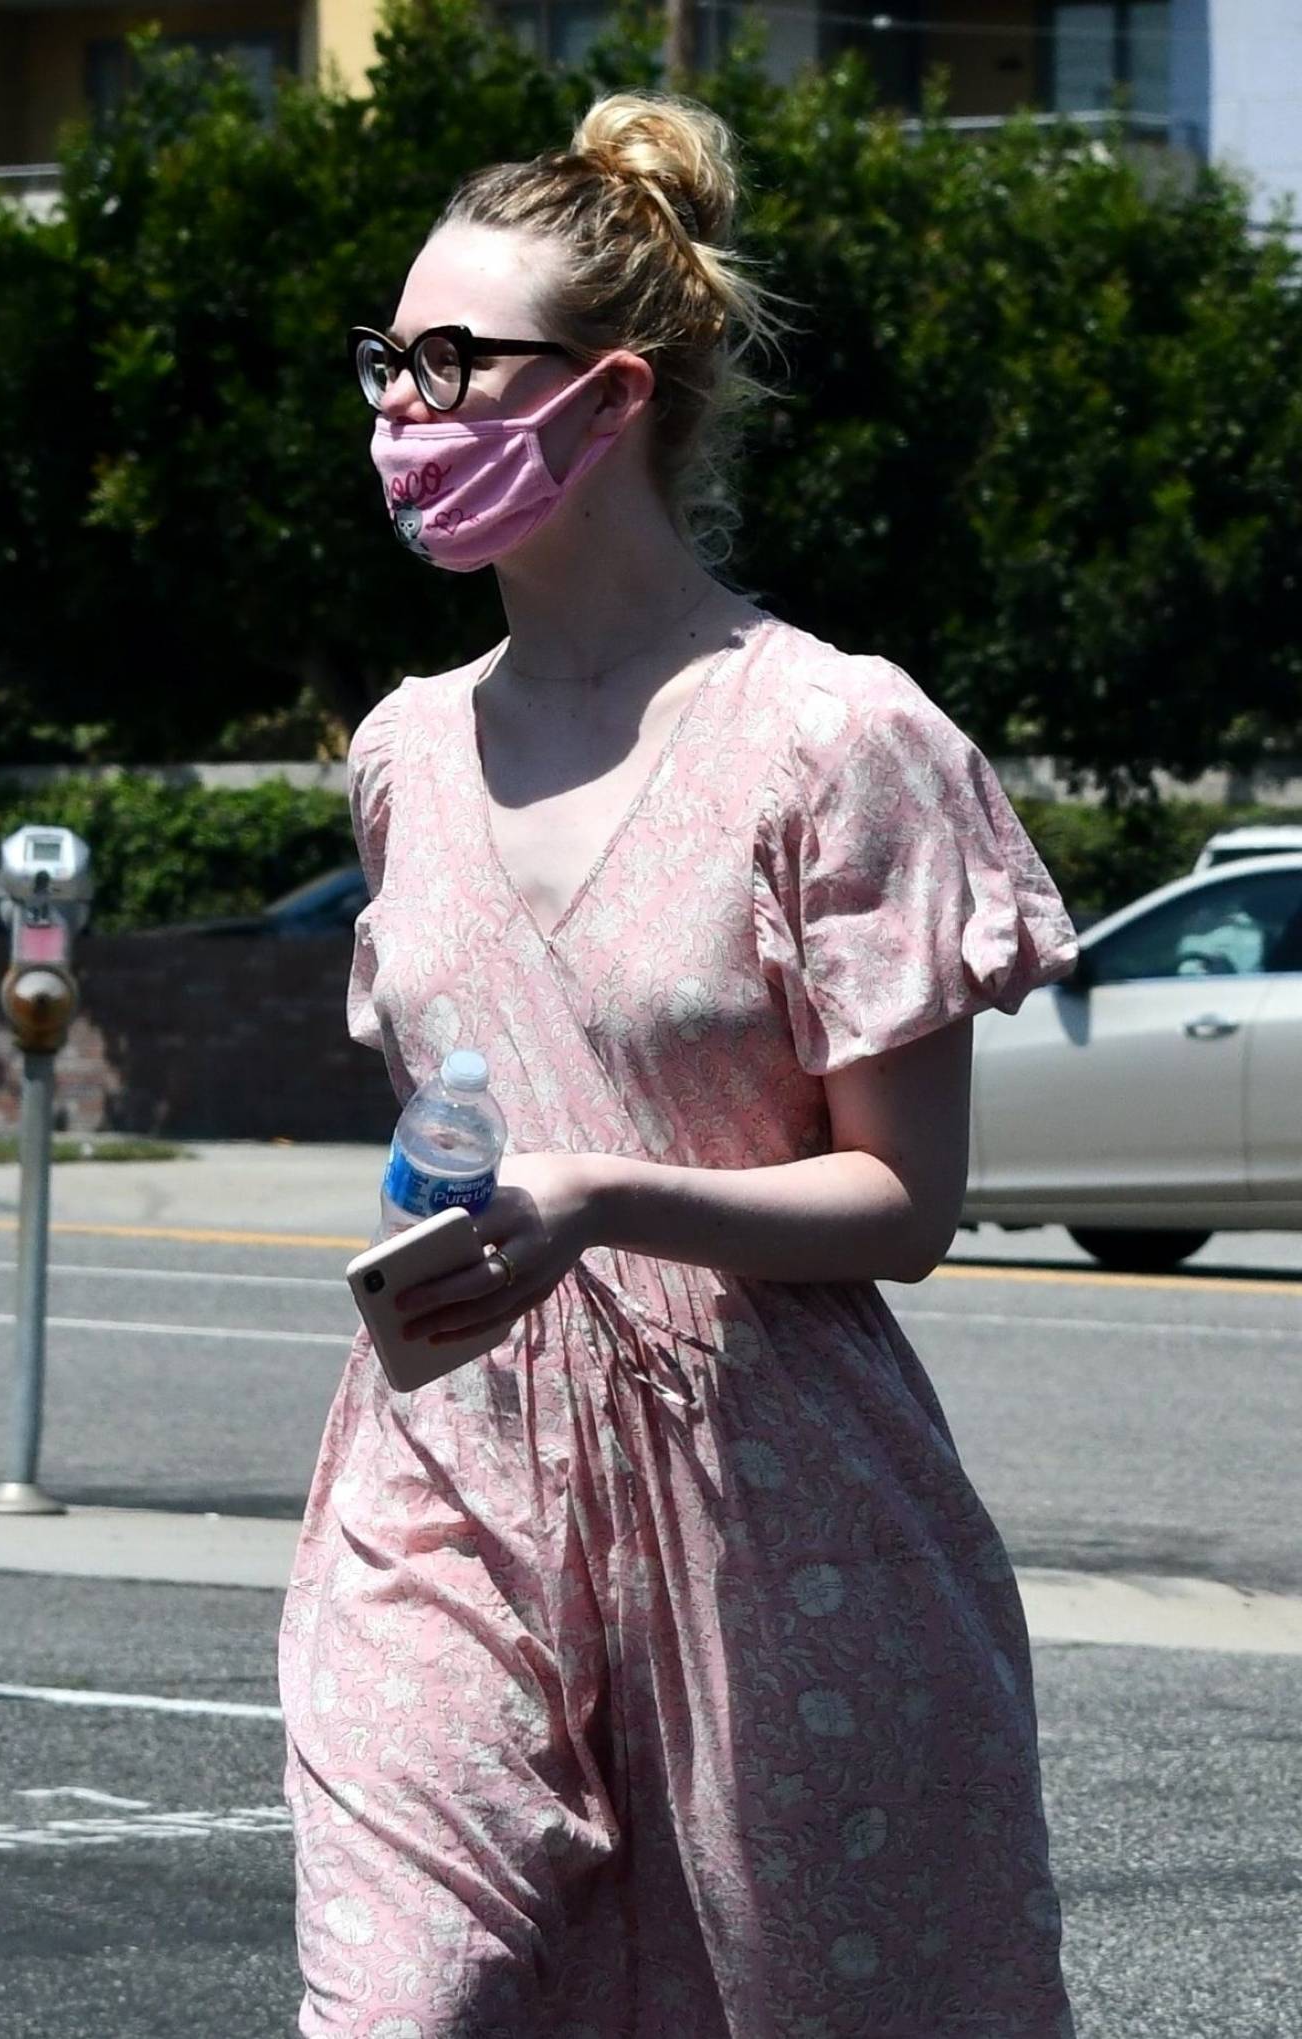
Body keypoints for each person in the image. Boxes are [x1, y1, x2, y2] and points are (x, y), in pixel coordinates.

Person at [279, 88, 1080, 2039]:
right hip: (444, 1477)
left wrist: (601, 1197)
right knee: (402, 2005)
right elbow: (456, 1110)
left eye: (455, 363)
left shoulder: (832, 743)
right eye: (388, 359)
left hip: (772, 1512)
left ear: (611, 394)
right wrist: (455, 1217)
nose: (401, 405)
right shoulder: (401, 751)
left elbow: (902, 1202)